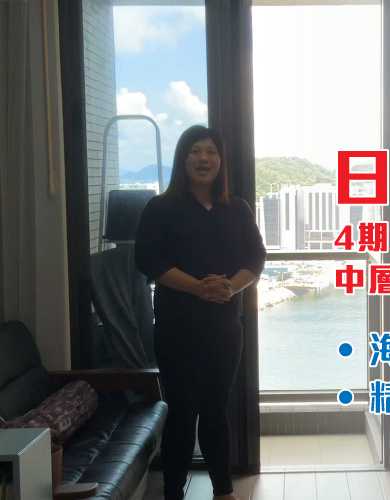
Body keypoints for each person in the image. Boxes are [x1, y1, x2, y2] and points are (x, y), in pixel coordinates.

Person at [135, 125, 266, 500]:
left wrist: (231, 287)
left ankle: (223, 491)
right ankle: (173, 493)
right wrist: (197, 287)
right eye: (195, 151)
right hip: (177, 328)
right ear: (183, 159)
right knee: (182, 411)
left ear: (221, 161)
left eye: (211, 152)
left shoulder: (236, 208)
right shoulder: (161, 208)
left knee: (215, 411)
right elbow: (147, 259)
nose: (204, 158)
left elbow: (255, 257)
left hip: (224, 328)